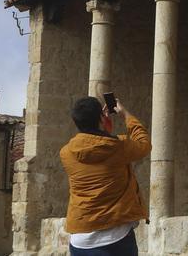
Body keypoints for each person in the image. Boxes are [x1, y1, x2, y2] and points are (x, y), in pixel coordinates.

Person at [60, 95, 151, 256]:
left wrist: (102, 129)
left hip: (80, 240)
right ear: (101, 117)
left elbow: (96, 147)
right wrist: (125, 114)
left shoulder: (66, 153)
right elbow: (144, 144)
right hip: (115, 239)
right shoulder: (118, 146)